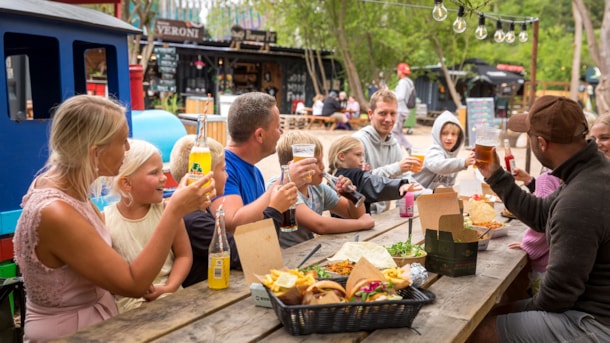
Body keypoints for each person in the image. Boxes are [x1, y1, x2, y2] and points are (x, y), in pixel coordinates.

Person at [13, 95, 214, 341]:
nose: (127, 148)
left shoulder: (63, 188)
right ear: (95, 152)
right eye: (122, 141)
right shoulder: (56, 212)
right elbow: (133, 283)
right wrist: (174, 211)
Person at [470, 95, 610, 342]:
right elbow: (542, 214)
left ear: (542, 143)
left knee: (476, 330)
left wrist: (502, 312)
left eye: (529, 136)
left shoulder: (579, 201)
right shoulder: (593, 171)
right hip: (589, 310)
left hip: (595, 324)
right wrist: (496, 175)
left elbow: (556, 298)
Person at [104, 139, 192, 313]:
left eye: (162, 170)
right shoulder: (105, 220)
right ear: (126, 183)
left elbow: (184, 255)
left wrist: (169, 287)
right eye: (154, 173)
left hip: (171, 296)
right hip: (128, 306)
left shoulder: (167, 211)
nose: (163, 178)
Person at [210, 92, 312, 234]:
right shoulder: (223, 167)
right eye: (277, 127)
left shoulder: (255, 171)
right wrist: (284, 180)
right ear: (259, 135)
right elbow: (231, 224)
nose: (281, 132)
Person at [270, 131, 375, 248]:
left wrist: (350, 196)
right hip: (285, 256)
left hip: (306, 251)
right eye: (316, 162)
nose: (323, 166)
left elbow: (356, 215)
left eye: (322, 160)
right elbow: (319, 225)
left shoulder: (317, 188)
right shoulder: (282, 187)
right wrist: (360, 224)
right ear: (296, 165)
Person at [169, 135, 241, 288]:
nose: (227, 175)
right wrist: (273, 208)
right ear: (205, 176)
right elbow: (240, 254)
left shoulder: (200, 211)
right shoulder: (195, 220)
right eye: (223, 169)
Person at [352, 88, 431, 214]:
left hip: (383, 214)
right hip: (360, 215)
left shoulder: (393, 143)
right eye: (383, 113)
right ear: (370, 114)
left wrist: (432, 194)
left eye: (393, 113)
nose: (388, 119)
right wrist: (398, 167)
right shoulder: (357, 142)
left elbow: (405, 179)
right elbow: (360, 182)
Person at [328, 136, 422, 214]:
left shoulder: (334, 176)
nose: (362, 159)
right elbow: (372, 182)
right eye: (358, 155)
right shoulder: (354, 175)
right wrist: (399, 186)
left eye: (362, 155)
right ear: (341, 156)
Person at [507, 169, 561, 296]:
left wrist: (528, 245)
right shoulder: (577, 173)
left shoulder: (547, 178)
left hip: (547, 266)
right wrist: (530, 181)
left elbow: (543, 221)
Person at [412, 111, 475, 190]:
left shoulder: (454, 160)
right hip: (415, 195)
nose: (449, 138)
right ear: (437, 134)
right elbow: (437, 165)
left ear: (458, 137)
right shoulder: (434, 150)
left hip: (433, 198)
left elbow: (450, 183)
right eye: (445, 133)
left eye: (453, 134)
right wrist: (463, 162)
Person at [392, 62, 416, 152]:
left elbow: (400, 96)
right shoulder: (409, 82)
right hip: (405, 110)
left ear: (400, 72)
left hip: (400, 110)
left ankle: (398, 152)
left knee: (395, 132)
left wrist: (391, 96)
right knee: (398, 131)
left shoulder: (403, 82)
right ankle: (409, 148)